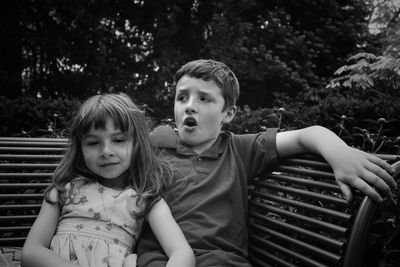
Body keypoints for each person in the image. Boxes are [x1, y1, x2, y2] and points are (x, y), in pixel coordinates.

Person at [137, 59, 397, 267]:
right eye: (182, 98)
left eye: (204, 99)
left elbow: (308, 135)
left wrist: (341, 154)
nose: (189, 106)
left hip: (221, 260)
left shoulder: (239, 148)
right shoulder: (157, 149)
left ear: (228, 113)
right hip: (159, 258)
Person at [21, 93, 195, 267]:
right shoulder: (64, 190)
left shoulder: (144, 199)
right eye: (93, 143)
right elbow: (31, 252)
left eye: (118, 140)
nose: (106, 151)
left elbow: (181, 252)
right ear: (80, 148)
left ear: (137, 144)